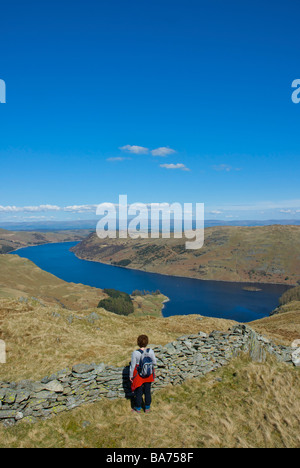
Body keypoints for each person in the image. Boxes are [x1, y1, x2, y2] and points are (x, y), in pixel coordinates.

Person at [130, 334, 157, 413]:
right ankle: (147, 408)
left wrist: (131, 376)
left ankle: (138, 408)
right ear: (147, 343)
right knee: (147, 391)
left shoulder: (135, 353)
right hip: (148, 374)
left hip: (139, 375)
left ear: (138, 342)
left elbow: (132, 366)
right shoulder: (150, 351)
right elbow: (154, 362)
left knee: (139, 392)